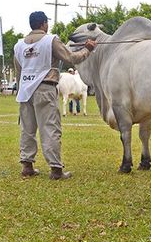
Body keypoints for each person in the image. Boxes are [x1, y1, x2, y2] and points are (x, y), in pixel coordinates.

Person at [14, 11, 97, 180]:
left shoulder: (19, 45)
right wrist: (87, 49)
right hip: (45, 88)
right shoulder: (50, 40)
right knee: (50, 128)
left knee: (27, 129)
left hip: (25, 91)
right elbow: (72, 58)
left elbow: (19, 72)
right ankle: (56, 169)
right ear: (44, 24)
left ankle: (27, 166)